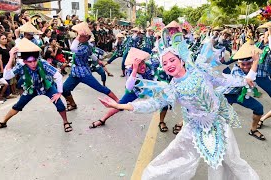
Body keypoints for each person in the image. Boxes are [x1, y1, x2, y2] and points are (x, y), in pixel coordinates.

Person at [98, 41, 259, 179]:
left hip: (218, 124)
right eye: (165, 63)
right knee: (174, 157)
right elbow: (151, 104)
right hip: (194, 128)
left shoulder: (200, 71)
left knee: (231, 160)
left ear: (181, 60)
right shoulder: (172, 88)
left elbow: (226, 80)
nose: (169, 65)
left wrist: (252, 69)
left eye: (171, 60)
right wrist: (120, 106)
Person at [0, 38, 73, 132]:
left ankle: (65, 122)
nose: (33, 64)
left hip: (47, 86)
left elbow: (58, 76)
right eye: (30, 61)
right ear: (24, 61)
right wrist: (11, 57)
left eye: (34, 60)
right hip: (30, 88)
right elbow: (7, 76)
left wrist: (59, 92)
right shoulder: (21, 65)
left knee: (60, 105)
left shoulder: (42, 63)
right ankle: (3, 122)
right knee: (18, 106)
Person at [62, 22, 119, 111]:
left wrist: (78, 36)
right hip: (75, 73)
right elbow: (92, 55)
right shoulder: (83, 45)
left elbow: (72, 48)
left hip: (84, 73)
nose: (79, 37)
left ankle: (118, 102)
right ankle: (72, 104)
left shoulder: (85, 47)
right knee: (64, 89)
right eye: (79, 35)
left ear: (87, 38)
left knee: (100, 88)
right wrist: (99, 61)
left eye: (81, 36)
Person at [224, 41, 266, 140]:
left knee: (259, 108)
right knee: (211, 113)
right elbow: (248, 80)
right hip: (226, 95)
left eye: (249, 64)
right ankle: (183, 124)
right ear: (238, 64)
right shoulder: (235, 70)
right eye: (243, 64)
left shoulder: (254, 67)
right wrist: (255, 62)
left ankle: (253, 130)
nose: (246, 66)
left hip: (240, 94)